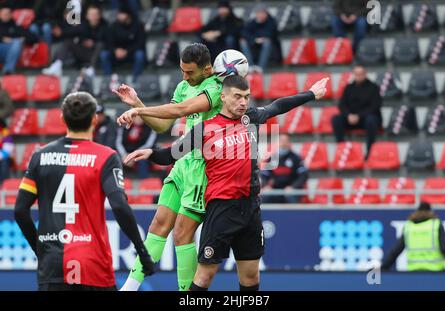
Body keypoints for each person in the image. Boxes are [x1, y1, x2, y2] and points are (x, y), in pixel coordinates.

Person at [122, 75, 327, 290]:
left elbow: (279, 105)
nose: (243, 102)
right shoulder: (205, 129)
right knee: (203, 278)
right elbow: (171, 154)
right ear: (223, 97)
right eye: (237, 97)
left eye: (246, 97)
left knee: (250, 277)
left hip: (250, 208)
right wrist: (150, 153)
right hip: (221, 208)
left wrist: (311, 94)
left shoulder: (251, 118)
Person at [14, 92, 154, 291]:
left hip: (53, 265)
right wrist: (142, 252)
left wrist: (41, 251)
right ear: (94, 119)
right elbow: (120, 206)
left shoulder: (40, 156)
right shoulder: (106, 156)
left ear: (62, 118)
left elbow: (20, 210)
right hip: (93, 263)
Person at [114, 43, 223, 291]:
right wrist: (136, 104)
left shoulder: (216, 88)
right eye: (182, 71)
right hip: (182, 163)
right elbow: (164, 126)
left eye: (190, 72)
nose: (184, 77)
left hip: (203, 168)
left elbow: (182, 109)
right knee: (158, 225)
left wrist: (139, 110)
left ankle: (188, 295)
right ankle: (128, 289)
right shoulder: (184, 86)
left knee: (182, 235)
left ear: (207, 69)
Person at [381, 202, 445, 271]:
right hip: (436, 271)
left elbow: (396, 251)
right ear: (430, 211)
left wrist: (383, 267)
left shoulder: (409, 227)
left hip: (414, 271)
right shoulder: (436, 225)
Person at [43, 4, 108, 77]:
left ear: (99, 15)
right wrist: (83, 41)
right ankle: (57, 65)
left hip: (97, 54)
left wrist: (93, 43)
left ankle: (91, 69)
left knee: (100, 45)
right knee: (68, 42)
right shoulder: (84, 25)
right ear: (87, 16)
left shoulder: (104, 25)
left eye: (95, 14)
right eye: (91, 14)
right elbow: (75, 33)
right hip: (85, 52)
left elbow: (107, 42)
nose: (93, 16)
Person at [331, 65, 382, 158]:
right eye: (356, 74)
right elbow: (342, 105)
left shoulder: (374, 87)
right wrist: (348, 115)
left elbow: (375, 107)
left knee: (371, 120)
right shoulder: (349, 87)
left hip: (366, 118)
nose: (358, 76)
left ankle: (370, 152)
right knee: (336, 120)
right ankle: (342, 149)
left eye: (360, 74)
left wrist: (359, 116)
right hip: (350, 119)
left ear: (365, 74)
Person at [100, 5, 146, 82]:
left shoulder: (138, 26)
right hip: (116, 53)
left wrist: (127, 51)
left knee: (140, 55)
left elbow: (140, 43)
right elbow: (108, 42)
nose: (119, 16)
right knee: (104, 55)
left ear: (128, 15)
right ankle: (109, 80)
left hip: (131, 53)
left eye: (122, 14)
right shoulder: (113, 26)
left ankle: (135, 81)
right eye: (119, 14)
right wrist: (115, 50)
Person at [261, 134, 308, 204]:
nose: (283, 143)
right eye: (281, 141)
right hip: (276, 190)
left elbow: (303, 175)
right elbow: (264, 174)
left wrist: (293, 187)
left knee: (290, 195)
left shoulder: (296, 158)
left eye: (285, 141)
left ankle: (295, 214)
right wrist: (266, 186)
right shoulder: (272, 159)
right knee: (265, 195)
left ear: (289, 143)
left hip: (292, 190)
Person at [239, 4, 280, 73]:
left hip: (271, 48)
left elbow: (269, 34)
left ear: (266, 13)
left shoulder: (272, 21)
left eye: (262, 13)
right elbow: (244, 32)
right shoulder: (254, 21)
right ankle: (250, 66)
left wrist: (256, 37)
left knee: (267, 42)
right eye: (258, 13)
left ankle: (261, 67)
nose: (260, 15)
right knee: (243, 41)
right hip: (255, 45)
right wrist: (255, 39)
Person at [0, 4, 38, 74]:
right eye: (3, 14)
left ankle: (8, 70)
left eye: (7, 14)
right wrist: (2, 39)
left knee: (16, 42)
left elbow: (34, 37)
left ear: (11, 15)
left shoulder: (16, 27)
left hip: (11, 52)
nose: (5, 16)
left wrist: (22, 40)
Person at [0, 119, 13, 184]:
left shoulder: (6, 134)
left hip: (4, 159)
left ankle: (4, 184)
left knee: (4, 161)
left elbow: (6, 152)